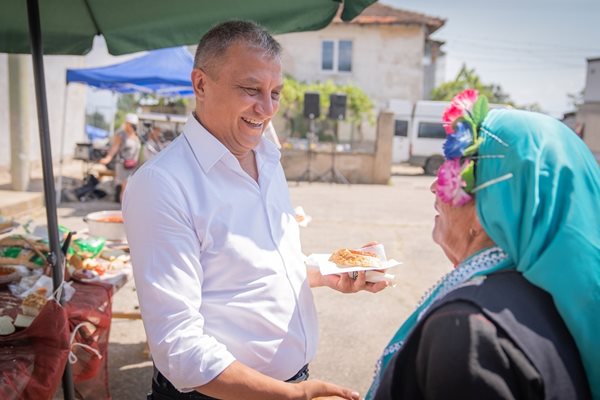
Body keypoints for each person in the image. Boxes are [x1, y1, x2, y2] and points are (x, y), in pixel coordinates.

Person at [123, 20, 388, 400]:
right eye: (251, 89)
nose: (266, 109)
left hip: (290, 382)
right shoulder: (162, 183)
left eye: (276, 92)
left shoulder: (267, 153)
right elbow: (177, 346)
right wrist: (292, 395)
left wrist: (329, 269)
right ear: (200, 84)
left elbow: (260, 265)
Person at [366, 89, 599, 399]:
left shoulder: (469, 328)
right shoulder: (562, 302)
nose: (435, 186)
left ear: (492, 206)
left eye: (452, 173)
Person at [99, 113, 141, 202]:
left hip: (133, 165)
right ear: (127, 123)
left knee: (130, 187)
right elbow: (115, 147)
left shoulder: (136, 135)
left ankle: (126, 206)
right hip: (123, 165)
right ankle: (122, 208)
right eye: (131, 124)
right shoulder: (121, 134)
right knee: (125, 187)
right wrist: (108, 158)